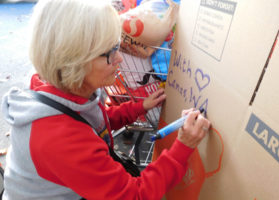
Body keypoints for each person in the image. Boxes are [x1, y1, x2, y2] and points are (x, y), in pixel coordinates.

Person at [1, 0, 211, 199]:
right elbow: (135, 196)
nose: (119, 58)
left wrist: (139, 107)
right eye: (110, 52)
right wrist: (183, 146)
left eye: (116, 46)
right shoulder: (60, 139)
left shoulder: (66, 90)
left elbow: (94, 121)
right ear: (75, 60)